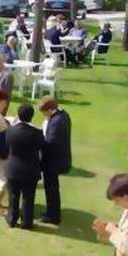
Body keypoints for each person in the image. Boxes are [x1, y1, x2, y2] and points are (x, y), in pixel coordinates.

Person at [3, 104, 45, 230]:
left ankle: (12, 219)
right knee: (28, 197)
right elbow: (42, 146)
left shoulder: (10, 131)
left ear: (18, 115)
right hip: (30, 169)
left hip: (13, 168)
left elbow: (7, 145)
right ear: (31, 116)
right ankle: (27, 222)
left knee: (13, 196)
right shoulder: (37, 133)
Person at [39, 96, 71, 225]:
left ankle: (53, 216)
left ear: (49, 109)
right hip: (57, 158)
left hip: (53, 161)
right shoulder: (63, 115)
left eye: (44, 112)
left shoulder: (56, 122)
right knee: (52, 187)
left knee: (51, 188)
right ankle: (51, 211)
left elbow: (50, 142)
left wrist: (37, 141)